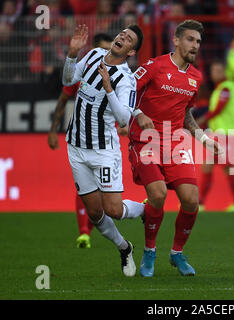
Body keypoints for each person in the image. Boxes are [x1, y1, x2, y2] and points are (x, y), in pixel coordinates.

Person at [129, 19, 222, 277]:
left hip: (174, 140)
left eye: (199, 42)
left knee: (192, 200)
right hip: (145, 138)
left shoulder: (195, 77)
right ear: (177, 40)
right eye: (191, 39)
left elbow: (186, 113)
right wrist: (137, 114)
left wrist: (203, 139)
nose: (195, 45)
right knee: (158, 195)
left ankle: (177, 253)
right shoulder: (154, 65)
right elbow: (125, 90)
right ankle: (149, 251)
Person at [62, 24, 153, 277]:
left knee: (112, 209)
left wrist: (108, 87)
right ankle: (124, 248)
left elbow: (124, 118)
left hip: (103, 150)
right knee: (94, 212)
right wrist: (71, 55)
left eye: (129, 38)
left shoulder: (126, 79)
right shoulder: (92, 55)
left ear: (131, 51)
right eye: (122, 33)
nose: (122, 36)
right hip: (76, 146)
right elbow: (68, 80)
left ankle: (146, 210)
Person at [48, 33, 113, 249]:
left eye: (110, 49)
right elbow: (64, 97)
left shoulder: (116, 73)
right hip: (82, 140)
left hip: (105, 141)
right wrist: (52, 130)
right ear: (94, 51)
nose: (107, 54)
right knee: (85, 189)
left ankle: (90, 229)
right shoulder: (82, 72)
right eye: (103, 50)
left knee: (105, 194)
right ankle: (84, 232)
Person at [196, 60, 234, 212]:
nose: (216, 73)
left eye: (219, 70)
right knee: (208, 166)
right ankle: (200, 203)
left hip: (226, 135)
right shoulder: (225, 88)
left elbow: (219, 108)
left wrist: (202, 119)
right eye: (214, 70)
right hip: (220, 134)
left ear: (225, 72)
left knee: (227, 168)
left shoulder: (225, 88)